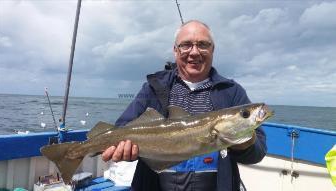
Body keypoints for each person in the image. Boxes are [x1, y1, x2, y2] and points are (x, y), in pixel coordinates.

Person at [102, 20, 267, 191]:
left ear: (212, 50)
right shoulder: (154, 87)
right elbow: (122, 128)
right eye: (186, 45)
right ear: (175, 50)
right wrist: (124, 150)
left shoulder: (232, 92)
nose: (194, 52)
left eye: (203, 45)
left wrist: (246, 143)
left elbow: (257, 153)